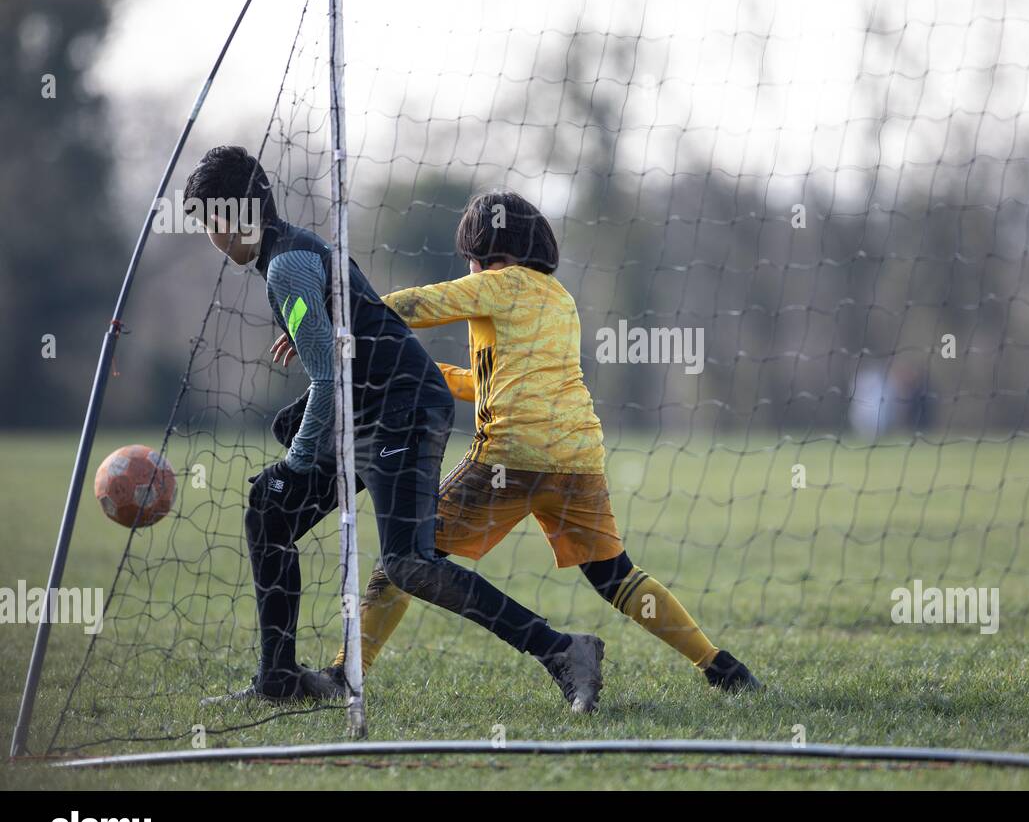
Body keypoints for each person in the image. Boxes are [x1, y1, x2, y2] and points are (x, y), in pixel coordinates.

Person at [276, 190, 760, 697]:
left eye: (470, 257)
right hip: (577, 460)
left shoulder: (496, 284)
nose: (469, 268)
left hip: (509, 456)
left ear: (485, 254)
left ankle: (344, 672)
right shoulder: (559, 298)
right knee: (616, 576)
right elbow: (503, 383)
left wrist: (336, 317)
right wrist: (435, 375)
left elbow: (417, 304)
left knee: (403, 562)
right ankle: (720, 667)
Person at [185, 147, 604, 711]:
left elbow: (330, 376)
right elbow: (340, 352)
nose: (208, 237)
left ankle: (562, 650)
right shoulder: (300, 249)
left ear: (227, 218)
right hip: (369, 412)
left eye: (206, 222)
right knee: (269, 509)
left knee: (408, 562)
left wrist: (297, 462)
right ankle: (278, 680)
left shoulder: (286, 266)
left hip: (402, 410)